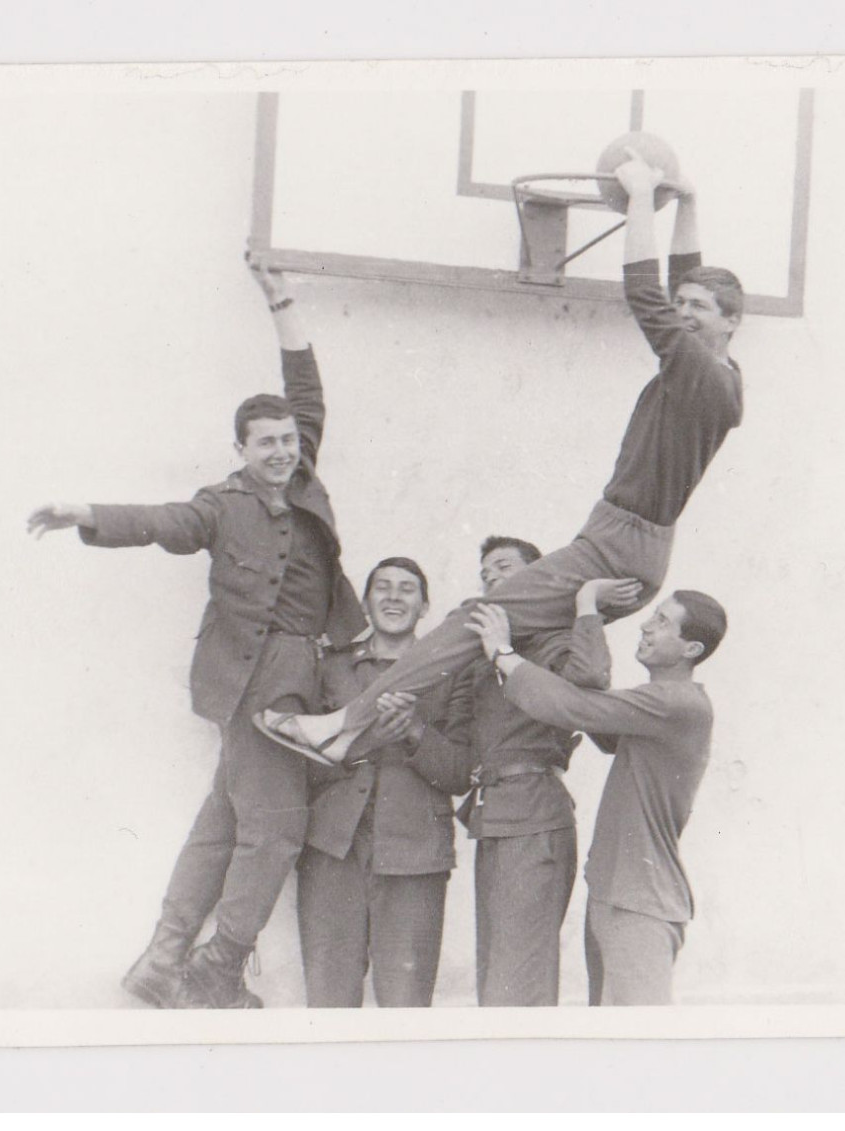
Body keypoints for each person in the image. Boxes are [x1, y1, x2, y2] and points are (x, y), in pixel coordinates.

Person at [257, 151, 745, 767]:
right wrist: (689, 205)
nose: (684, 313)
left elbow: (645, 292)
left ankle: (344, 727)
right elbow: (677, 287)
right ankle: (359, 730)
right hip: (622, 540)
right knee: (514, 638)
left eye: (699, 309)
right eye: (686, 305)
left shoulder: (700, 373)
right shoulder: (717, 372)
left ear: (731, 323)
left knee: (476, 618)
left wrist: (644, 196)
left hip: (620, 546)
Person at [25, 258, 365, 1009]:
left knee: (224, 820)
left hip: (304, 672)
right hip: (256, 682)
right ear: (240, 449)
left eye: (287, 439)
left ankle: (164, 956)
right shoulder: (219, 504)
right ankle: (216, 969)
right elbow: (163, 524)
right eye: (264, 442)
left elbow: (307, 386)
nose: (280, 450)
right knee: (274, 829)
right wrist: (87, 512)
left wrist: (282, 302)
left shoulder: (303, 477)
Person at [465, 589, 728, 1006]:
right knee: (608, 1038)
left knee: (640, 1046)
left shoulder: (679, 703)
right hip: (617, 892)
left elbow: (574, 706)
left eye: (662, 622)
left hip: (641, 903)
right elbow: (588, 707)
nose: (646, 625)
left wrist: (504, 651)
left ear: (690, 648)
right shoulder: (653, 707)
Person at [424, 537, 625, 1006]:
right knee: (497, 973)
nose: (492, 579)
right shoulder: (481, 662)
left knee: (520, 979)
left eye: (504, 568)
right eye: (485, 574)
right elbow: (458, 762)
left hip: (534, 817)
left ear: (538, 580)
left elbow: (591, 680)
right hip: (493, 820)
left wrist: (584, 606)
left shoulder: (549, 644)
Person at [296, 557, 477, 1008]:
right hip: (332, 850)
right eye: (383, 587)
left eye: (407, 589)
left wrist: (415, 730)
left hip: (415, 855)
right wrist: (362, 741)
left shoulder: (453, 672)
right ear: (366, 601)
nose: (394, 597)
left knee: (406, 1005)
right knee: (328, 1003)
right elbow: (296, 762)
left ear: (424, 606)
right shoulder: (331, 669)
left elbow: (461, 772)